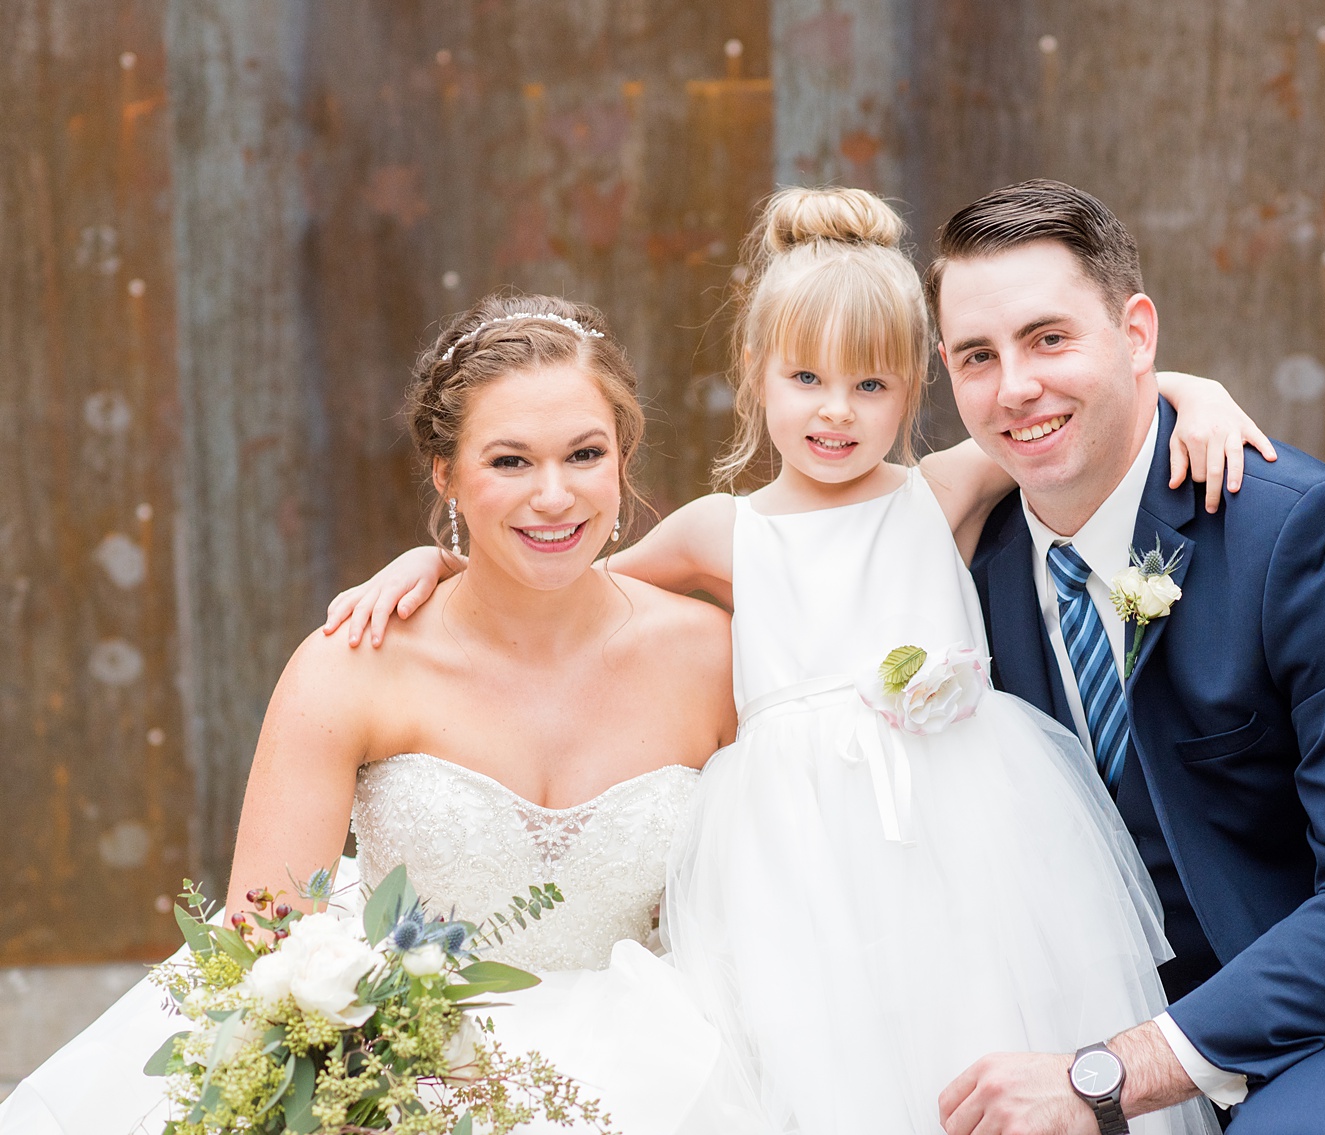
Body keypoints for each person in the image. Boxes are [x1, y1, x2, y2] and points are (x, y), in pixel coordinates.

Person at [322, 187, 1275, 1134]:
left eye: (872, 385)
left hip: (971, 844)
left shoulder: (940, 490)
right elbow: (559, 573)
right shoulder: (720, 533)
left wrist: (1200, 393)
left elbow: (1107, 402)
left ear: (918, 381)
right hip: (793, 865)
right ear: (755, 372)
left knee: (989, 1030)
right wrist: (432, 559)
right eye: (806, 379)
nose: (838, 413)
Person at [0, 296, 762, 1135]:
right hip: (397, 1075)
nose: (554, 495)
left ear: (623, 458)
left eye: (585, 453)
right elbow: (262, 946)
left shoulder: (715, 659)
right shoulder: (353, 664)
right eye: (509, 461)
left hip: (660, 1076)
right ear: (445, 473)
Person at [927, 180, 1325, 1135]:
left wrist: (1111, 1070)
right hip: (1132, 998)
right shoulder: (968, 565)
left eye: (1050, 338)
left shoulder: (1312, 541)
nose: (1014, 386)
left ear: (1138, 333)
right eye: (977, 357)